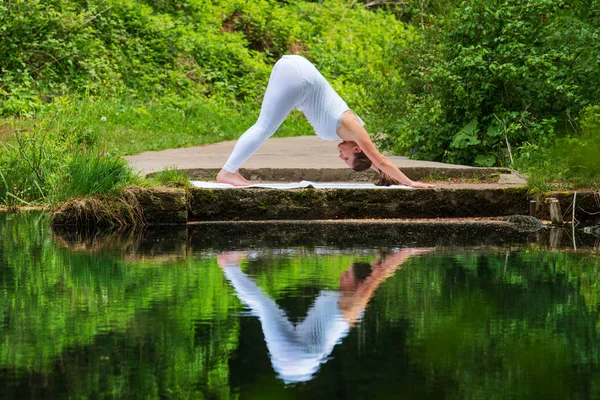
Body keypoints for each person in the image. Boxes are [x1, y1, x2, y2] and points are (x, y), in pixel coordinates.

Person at [216, 55, 435, 188]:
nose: (340, 156)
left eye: (343, 159)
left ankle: (231, 171)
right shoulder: (355, 129)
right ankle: (227, 171)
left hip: (296, 71)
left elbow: (378, 167)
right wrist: (411, 182)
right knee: (265, 127)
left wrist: (386, 178)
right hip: (299, 77)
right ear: (358, 149)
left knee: (264, 125)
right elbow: (381, 161)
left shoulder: (349, 135)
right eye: (347, 157)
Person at [217, 248, 432, 383]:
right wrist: (395, 252)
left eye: (346, 274)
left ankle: (229, 263)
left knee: (264, 307)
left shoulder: (353, 304)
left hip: (299, 359)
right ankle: (231, 264)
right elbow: (376, 272)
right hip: (297, 363)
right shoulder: (353, 304)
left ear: (356, 285)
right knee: (264, 308)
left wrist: (406, 252)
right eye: (345, 272)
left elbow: (377, 275)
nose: (341, 275)